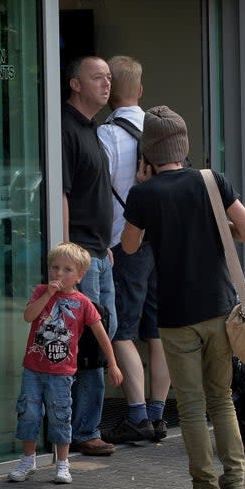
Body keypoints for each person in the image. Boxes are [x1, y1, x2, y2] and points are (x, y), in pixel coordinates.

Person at [121, 106, 245, 489]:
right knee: (222, 399)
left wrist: (142, 188)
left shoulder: (143, 193)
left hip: (176, 315)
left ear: (148, 152)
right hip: (219, 308)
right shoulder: (210, 180)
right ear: (184, 146)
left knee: (192, 406)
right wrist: (215, 226)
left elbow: (129, 248)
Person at [97, 56, 171, 445]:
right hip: (165, 241)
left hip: (126, 241)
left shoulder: (106, 136)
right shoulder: (160, 130)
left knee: (123, 329)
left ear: (111, 93)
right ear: (140, 91)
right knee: (156, 330)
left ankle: (137, 415)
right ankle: (159, 414)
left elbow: (99, 192)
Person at [8, 243, 123, 485]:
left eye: (67, 269)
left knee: (61, 415)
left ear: (80, 276)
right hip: (33, 368)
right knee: (28, 413)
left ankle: (62, 463)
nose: (58, 274)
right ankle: (28, 460)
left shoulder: (83, 303)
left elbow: (102, 335)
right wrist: (49, 294)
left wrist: (113, 364)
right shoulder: (41, 292)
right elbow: (28, 316)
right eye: (54, 267)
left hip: (62, 372)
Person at [61, 55, 117, 457]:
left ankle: (85, 425)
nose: (106, 83)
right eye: (97, 77)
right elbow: (62, 194)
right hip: (82, 256)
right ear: (75, 84)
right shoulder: (66, 127)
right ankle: (84, 430)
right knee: (90, 347)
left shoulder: (93, 129)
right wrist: (70, 260)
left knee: (103, 338)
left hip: (99, 253)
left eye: (110, 78)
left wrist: (106, 248)